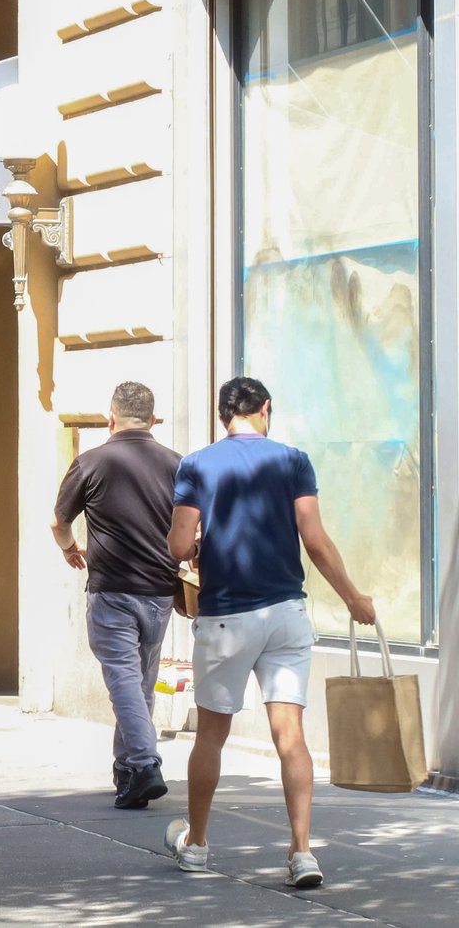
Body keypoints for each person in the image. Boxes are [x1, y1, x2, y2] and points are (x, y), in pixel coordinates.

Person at [163, 376, 377, 889]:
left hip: (225, 617)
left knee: (211, 735)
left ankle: (197, 844)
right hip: (285, 613)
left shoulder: (197, 465)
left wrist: (195, 547)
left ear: (222, 418)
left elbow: (176, 546)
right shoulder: (293, 460)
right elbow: (315, 538)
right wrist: (352, 597)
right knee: (291, 737)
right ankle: (302, 852)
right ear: (266, 409)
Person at [50, 381, 182, 810]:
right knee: (140, 682)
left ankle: (144, 764)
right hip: (160, 591)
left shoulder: (91, 462)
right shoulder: (176, 465)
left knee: (125, 680)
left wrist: (71, 548)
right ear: (153, 419)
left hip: (112, 591)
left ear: (111, 417)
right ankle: (127, 773)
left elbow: (58, 521)